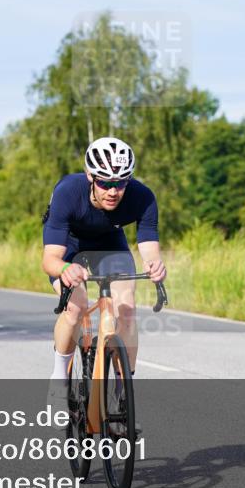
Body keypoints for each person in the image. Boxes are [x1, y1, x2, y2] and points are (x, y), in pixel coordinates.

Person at [41, 137, 167, 409]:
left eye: (120, 183)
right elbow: (50, 259)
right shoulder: (68, 192)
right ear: (90, 176)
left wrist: (154, 265)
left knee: (127, 309)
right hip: (69, 246)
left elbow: (149, 247)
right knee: (76, 306)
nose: (113, 191)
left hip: (109, 244)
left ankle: (122, 396)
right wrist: (65, 268)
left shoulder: (142, 197)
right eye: (105, 183)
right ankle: (59, 379)